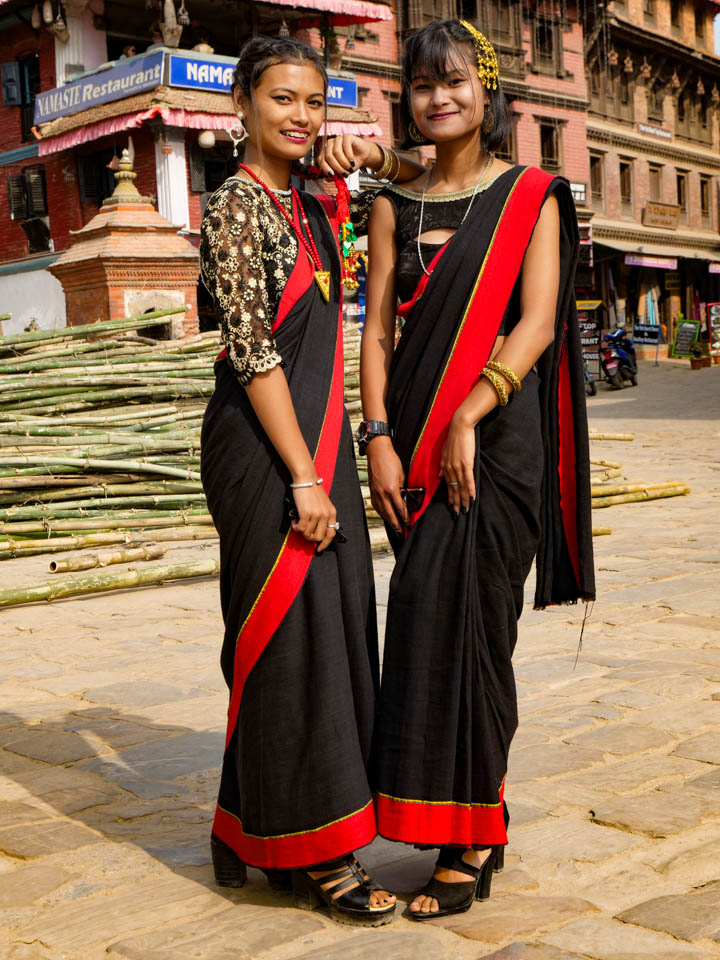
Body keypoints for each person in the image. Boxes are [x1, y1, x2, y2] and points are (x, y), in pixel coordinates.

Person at [361, 19, 595, 920]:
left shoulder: (532, 194)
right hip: (413, 440)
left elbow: (537, 321)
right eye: (423, 85)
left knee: (479, 638)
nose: (439, 98)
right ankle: (439, 816)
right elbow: (380, 329)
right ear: (408, 97)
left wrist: (472, 406)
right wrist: (377, 434)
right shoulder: (395, 203)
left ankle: (475, 836)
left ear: (486, 93)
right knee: (421, 624)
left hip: (496, 444)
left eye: (455, 82)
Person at [199, 35, 424, 927]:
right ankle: (321, 855)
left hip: (320, 448)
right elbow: (251, 351)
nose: (299, 116)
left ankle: (259, 833)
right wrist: (302, 476)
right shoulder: (236, 207)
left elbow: (417, 171)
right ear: (243, 106)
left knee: (330, 635)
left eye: (313, 102)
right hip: (269, 455)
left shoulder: (319, 199)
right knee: (287, 644)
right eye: (281, 98)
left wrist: (368, 147)